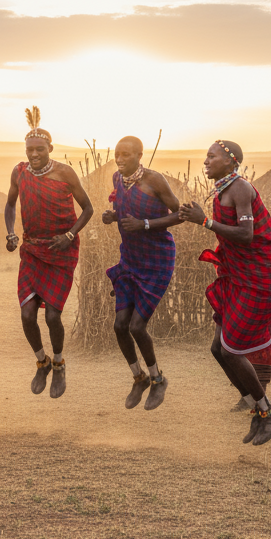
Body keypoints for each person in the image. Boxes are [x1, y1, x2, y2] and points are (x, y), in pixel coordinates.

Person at [179, 141, 271, 446]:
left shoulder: (239, 188)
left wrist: (204, 221)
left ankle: (269, 412)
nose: (206, 161)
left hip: (262, 274)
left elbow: (247, 234)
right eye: (206, 156)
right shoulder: (222, 190)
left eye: (212, 156)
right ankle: (257, 409)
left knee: (231, 350)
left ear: (231, 160)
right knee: (218, 349)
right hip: (238, 273)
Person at [4, 108, 93, 398]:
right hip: (31, 249)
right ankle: (41, 361)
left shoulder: (65, 172)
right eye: (29, 149)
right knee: (28, 314)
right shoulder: (19, 172)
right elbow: (9, 205)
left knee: (53, 316)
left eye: (39, 149)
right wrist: (10, 232)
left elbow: (88, 208)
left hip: (61, 250)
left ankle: (58, 363)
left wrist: (70, 235)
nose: (34, 154)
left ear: (50, 149)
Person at [101, 136, 183, 409]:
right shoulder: (117, 179)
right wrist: (113, 216)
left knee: (137, 326)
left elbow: (179, 214)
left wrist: (145, 224)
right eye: (117, 154)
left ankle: (158, 379)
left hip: (157, 261)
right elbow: (124, 210)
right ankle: (139, 378)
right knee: (119, 325)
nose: (120, 159)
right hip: (130, 260)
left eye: (126, 155)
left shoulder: (154, 180)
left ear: (140, 155)